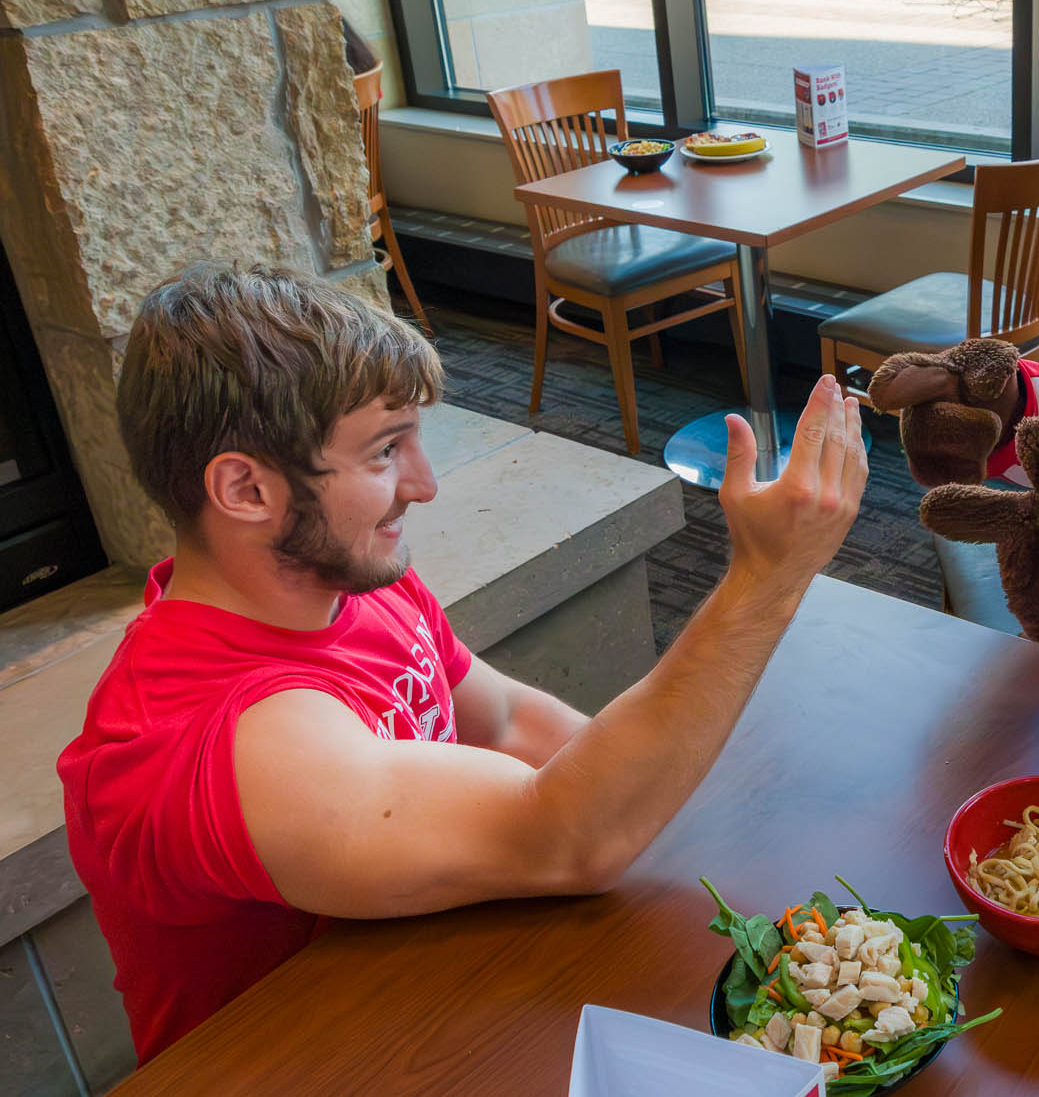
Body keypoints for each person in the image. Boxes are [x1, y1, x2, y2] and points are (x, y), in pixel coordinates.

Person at [58, 264, 867, 1062]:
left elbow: (510, 722)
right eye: (384, 451)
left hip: (423, 1011)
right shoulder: (230, 740)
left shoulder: (351, 584)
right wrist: (766, 579)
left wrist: (662, 807)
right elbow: (565, 838)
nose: (426, 484)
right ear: (244, 489)